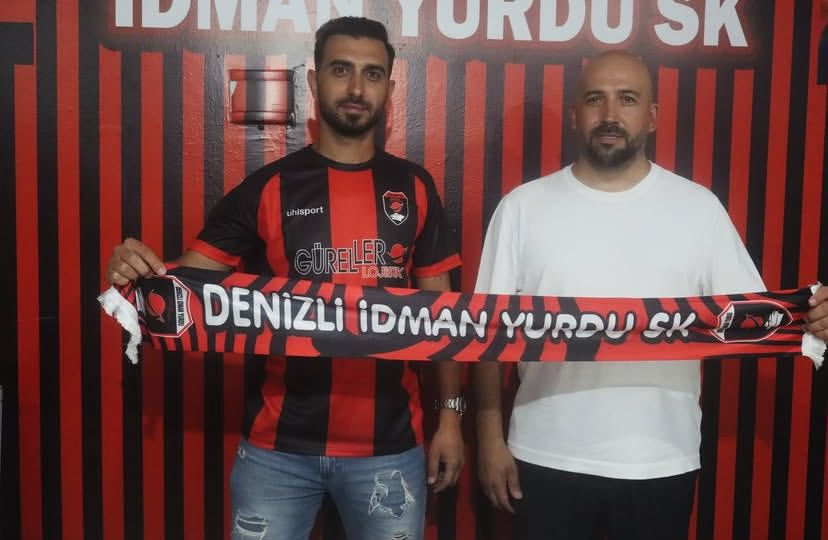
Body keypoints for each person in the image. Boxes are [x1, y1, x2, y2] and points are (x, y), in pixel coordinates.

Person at [107, 17, 465, 540]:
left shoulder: (414, 188)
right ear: (314, 80)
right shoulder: (268, 188)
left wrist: (450, 418)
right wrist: (134, 269)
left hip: (388, 450)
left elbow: (446, 320)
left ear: (389, 88)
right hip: (277, 453)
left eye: (372, 74)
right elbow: (182, 286)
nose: (356, 87)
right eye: (341, 70)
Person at [473, 50, 828, 539]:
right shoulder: (522, 208)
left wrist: (811, 317)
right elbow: (484, 335)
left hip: (660, 459)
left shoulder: (698, 209)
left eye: (627, 99)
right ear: (575, 114)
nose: (610, 114)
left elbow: (756, 317)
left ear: (653, 116)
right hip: (544, 454)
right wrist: (489, 437)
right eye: (595, 99)